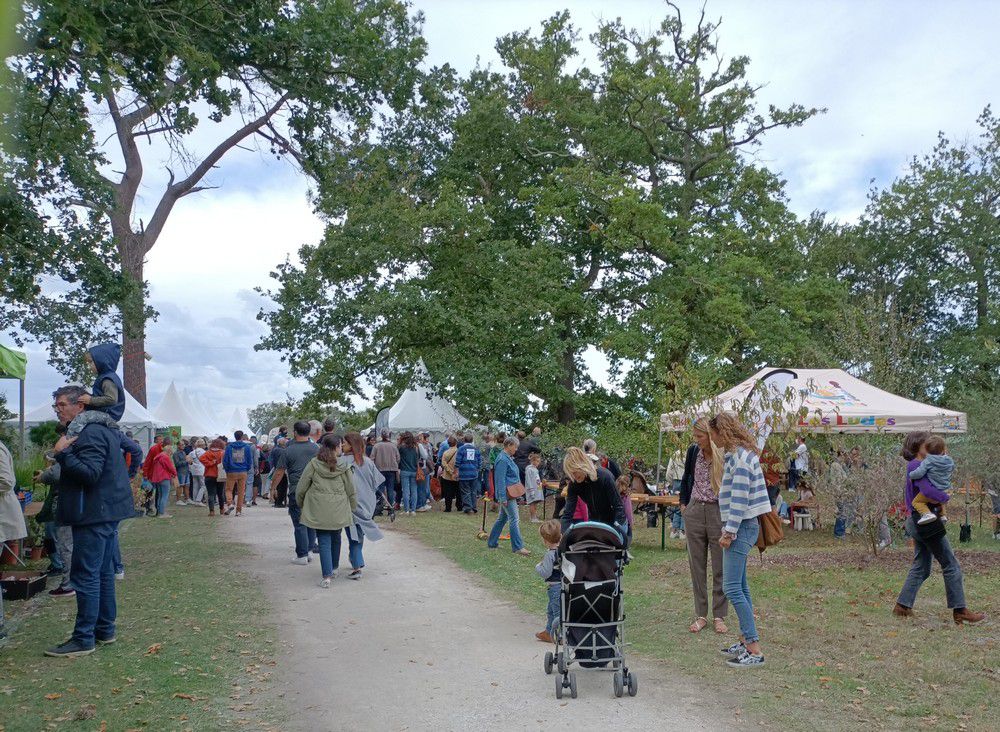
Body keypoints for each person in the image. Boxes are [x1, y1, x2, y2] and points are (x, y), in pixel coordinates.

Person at [45, 385, 134, 658]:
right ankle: (104, 630)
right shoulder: (101, 429)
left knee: (85, 575)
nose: (58, 410)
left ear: (80, 406)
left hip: (93, 513)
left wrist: (62, 453)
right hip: (102, 511)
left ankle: (84, 638)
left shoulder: (88, 433)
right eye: (56, 405)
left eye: (62, 404)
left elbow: (90, 474)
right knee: (103, 572)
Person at [894, 432, 984, 624]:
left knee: (922, 567)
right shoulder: (917, 465)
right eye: (927, 443)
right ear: (919, 447)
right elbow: (927, 491)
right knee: (950, 564)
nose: (931, 445)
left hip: (919, 520)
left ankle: (902, 606)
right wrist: (946, 497)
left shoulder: (921, 465)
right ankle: (960, 610)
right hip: (925, 522)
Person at [709, 412, 772, 669]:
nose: (712, 439)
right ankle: (746, 640)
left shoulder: (742, 460)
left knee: (732, 588)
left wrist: (729, 531)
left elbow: (740, 499)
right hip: (740, 525)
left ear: (723, 432)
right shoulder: (736, 456)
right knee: (741, 587)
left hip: (741, 526)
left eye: (713, 433)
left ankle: (754, 649)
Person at [679, 418, 728, 635]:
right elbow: (686, 477)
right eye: (695, 437)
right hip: (695, 510)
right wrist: (684, 504)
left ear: (710, 435)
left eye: (700, 436)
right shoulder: (693, 452)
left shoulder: (723, 454)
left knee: (720, 566)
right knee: (696, 566)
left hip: (718, 511)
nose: (697, 440)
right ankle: (701, 614)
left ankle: (719, 615)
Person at [295, 434, 357, 588]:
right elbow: (351, 489)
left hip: (318, 507)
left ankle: (327, 576)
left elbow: (301, 487)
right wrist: (352, 506)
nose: (342, 447)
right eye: (340, 445)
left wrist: (302, 503)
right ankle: (334, 567)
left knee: (323, 540)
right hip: (339, 507)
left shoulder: (314, 464)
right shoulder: (344, 466)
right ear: (335, 447)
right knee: (336, 536)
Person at [271, 421, 320, 565]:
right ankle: (310, 549)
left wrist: (273, 488)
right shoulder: (316, 449)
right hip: (314, 489)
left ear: (295, 432)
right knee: (311, 521)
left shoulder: (288, 450)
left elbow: (279, 472)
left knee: (299, 523)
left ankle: (302, 554)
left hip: (296, 489)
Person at [340, 432, 385, 579]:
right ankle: (356, 559)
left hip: (350, 504)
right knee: (358, 533)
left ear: (352, 445)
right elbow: (377, 482)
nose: (341, 445)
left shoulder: (342, 462)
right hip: (367, 503)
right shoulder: (367, 461)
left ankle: (357, 566)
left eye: (344, 443)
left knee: (354, 535)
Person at [560, 446, 625, 537]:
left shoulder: (605, 477)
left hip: (615, 521)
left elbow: (619, 508)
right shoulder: (574, 484)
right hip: (595, 521)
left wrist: (616, 532)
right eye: (570, 473)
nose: (573, 476)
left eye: (575, 472)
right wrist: (565, 535)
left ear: (582, 465)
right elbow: (567, 514)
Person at [67, 344, 126, 438]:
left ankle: (70, 439)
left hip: (109, 415)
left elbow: (112, 399)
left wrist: (91, 400)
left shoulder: (107, 379)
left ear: (102, 361)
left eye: (91, 362)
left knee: (82, 418)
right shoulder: (103, 377)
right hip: (104, 413)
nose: (89, 366)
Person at [487, 436, 530, 555]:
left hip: (509, 493)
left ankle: (492, 542)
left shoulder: (507, 458)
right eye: (515, 447)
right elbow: (500, 480)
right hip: (506, 494)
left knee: (502, 519)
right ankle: (518, 547)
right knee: (514, 519)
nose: (516, 449)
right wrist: (502, 497)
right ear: (509, 445)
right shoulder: (502, 459)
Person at [908, 436, 953, 524]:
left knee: (916, 502)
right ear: (944, 450)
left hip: (934, 489)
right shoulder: (949, 460)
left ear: (927, 450)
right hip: (947, 488)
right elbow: (951, 468)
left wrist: (911, 475)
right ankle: (943, 515)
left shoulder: (928, 461)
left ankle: (927, 514)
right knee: (942, 500)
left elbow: (919, 473)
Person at [534, 519, 562, 643]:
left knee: (557, 613)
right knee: (551, 610)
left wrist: (538, 567)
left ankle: (561, 636)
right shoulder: (563, 552)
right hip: (564, 585)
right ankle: (548, 632)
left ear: (545, 541)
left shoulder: (550, 555)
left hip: (555, 587)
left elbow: (546, 572)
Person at [222, 431, 254, 516]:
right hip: (243, 471)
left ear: (234, 436)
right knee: (241, 491)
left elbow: (225, 460)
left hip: (231, 471)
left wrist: (227, 469)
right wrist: (246, 469)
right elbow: (249, 460)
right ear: (242, 437)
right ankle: (238, 511)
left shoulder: (229, 447)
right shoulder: (247, 447)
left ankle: (230, 503)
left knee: (229, 489)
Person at [371, 431, 400, 510]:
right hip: (391, 470)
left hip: (379, 470)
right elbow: (398, 458)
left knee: (380, 489)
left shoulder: (376, 446)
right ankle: (390, 508)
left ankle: (379, 508)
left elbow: (372, 458)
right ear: (389, 436)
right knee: (390, 489)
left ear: (381, 436)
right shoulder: (393, 446)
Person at [455, 433, 482, 515]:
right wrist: (477, 469)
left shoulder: (461, 449)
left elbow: (457, 462)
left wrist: (456, 472)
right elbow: (480, 462)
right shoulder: (476, 449)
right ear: (472, 440)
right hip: (474, 473)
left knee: (465, 491)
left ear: (464, 440)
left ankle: (468, 508)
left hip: (464, 474)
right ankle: (474, 507)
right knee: (473, 491)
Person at [150, 443, 178, 518]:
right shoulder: (165, 457)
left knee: (160, 495)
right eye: (171, 452)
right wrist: (175, 474)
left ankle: (159, 512)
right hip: (164, 477)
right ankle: (162, 513)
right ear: (169, 451)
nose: (171, 454)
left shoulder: (158, 456)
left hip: (157, 478)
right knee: (164, 496)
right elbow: (170, 467)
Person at [200, 439, 226, 515]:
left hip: (209, 475)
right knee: (220, 493)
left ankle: (211, 511)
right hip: (220, 475)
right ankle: (222, 509)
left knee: (211, 494)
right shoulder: (223, 453)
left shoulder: (208, 453)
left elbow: (201, 459)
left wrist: (210, 463)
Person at [397, 431, 420, 516]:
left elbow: (397, 458)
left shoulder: (401, 447)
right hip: (414, 471)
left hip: (404, 470)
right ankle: (413, 510)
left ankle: (406, 510)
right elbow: (419, 458)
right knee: (414, 490)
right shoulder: (416, 447)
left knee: (406, 491)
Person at [664, 449, 686, 538]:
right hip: (686, 480)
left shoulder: (675, 454)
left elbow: (669, 471)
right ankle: (682, 530)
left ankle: (674, 529)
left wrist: (672, 482)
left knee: (676, 505)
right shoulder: (691, 452)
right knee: (685, 504)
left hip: (676, 480)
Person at [439, 436, 461, 512]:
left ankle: (448, 508)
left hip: (447, 476)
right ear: (456, 443)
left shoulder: (445, 453)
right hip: (458, 475)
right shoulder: (459, 452)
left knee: (448, 492)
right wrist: (455, 472)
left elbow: (444, 464)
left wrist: (450, 472)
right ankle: (459, 506)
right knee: (458, 492)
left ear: (448, 444)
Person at [416, 432, 434, 512]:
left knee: (423, 487)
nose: (427, 440)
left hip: (424, 468)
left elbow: (430, 457)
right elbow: (427, 457)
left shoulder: (428, 445)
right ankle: (422, 503)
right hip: (423, 468)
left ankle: (423, 502)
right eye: (426, 438)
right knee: (423, 487)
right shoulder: (420, 446)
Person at [525, 451, 544, 523]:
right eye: (537, 461)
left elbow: (537, 479)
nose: (538, 463)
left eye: (539, 461)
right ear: (532, 461)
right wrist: (531, 490)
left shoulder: (535, 469)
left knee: (535, 502)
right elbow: (529, 480)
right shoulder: (529, 469)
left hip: (537, 489)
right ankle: (532, 517)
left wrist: (540, 487)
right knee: (532, 503)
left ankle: (535, 516)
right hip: (532, 489)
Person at [187, 438, 207, 506]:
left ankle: (195, 500)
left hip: (193, 470)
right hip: (201, 470)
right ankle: (198, 500)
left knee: (195, 486)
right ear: (203, 445)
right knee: (203, 485)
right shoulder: (204, 452)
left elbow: (189, 461)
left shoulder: (192, 452)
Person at [270, 437, 288, 507]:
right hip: (282, 470)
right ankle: (279, 502)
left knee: (276, 486)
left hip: (276, 469)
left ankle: (276, 501)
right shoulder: (282, 451)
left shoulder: (275, 449)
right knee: (282, 487)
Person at [173, 439, 191, 506]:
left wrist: (189, 461)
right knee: (180, 486)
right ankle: (178, 500)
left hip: (186, 471)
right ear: (178, 445)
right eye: (182, 444)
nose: (184, 446)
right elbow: (177, 464)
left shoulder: (183, 452)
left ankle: (187, 499)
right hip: (180, 472)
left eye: (184, 444)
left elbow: (186, 461)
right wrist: (186, 461)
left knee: (187, 485)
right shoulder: (176, 454)